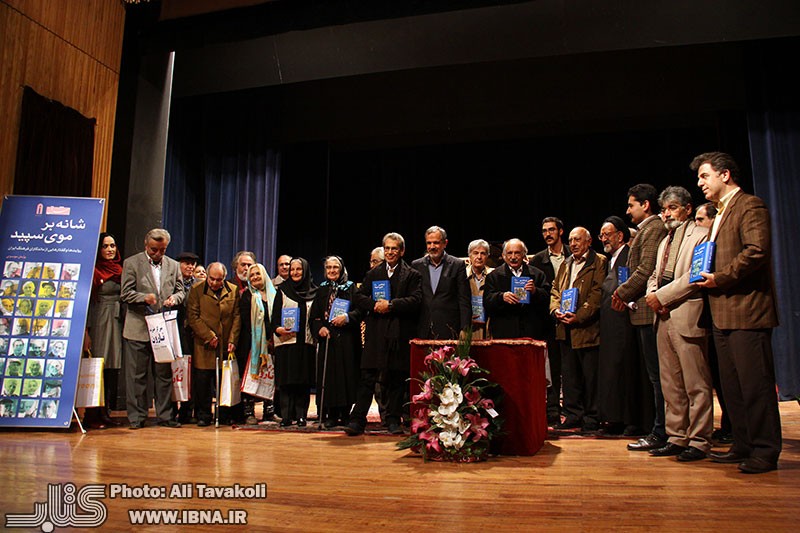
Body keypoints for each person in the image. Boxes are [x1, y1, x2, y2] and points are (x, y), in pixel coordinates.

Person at [692, 151, 781, 474]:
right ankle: (742, 443)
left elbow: (756, 251)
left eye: (704, 176)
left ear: (725, 175)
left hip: (747, 309)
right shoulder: (718, 214)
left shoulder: (750, 205)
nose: (700, 183)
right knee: (732, 387)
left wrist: (721, 277)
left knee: (755, 385)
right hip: (721, 311)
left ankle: (765, 450)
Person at [644, 186, 712, 462]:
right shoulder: (664, 241)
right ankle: (676, 436)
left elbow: (696, 277)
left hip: (686, 314)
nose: (667, 213)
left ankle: (699, 440)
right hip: (662, 316)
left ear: (687, 208)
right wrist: (652, 294)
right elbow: (655, 275)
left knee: (696, 383)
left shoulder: (702, 235)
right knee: (670, 383)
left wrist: (660, 296)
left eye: (672, 207)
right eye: (663, 209)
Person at [347, 232, 422, 436]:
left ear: (402, 251)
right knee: (368, 377)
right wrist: (374, 305)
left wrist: (391, 305)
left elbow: (416, 300)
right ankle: (357, 419)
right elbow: (359, 296)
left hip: (399, 332)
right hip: (376, 332)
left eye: (394, 249)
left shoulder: (412, 274)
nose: (390, 252)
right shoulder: (374, 273)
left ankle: (392, 419)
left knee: (396, 378)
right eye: (387, 248)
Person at [613, 184, 669, 452]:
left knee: (659, 377)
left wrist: (621, 293)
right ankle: (659, 428)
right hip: (641, 312)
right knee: (654, 376)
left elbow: (646, 268)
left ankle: (662, 431)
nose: (627, 210)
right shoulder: (646, 230)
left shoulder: (654, 227)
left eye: (631, 205)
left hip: (650, 313)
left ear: (645, 205)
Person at [120, 228, 185, 429]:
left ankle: (165, 416)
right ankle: (137, 417)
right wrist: (143, 298)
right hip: (138, 327)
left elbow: (181, 290)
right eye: (154, 250)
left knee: (163, 375)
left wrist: (175, 298)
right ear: (146, 246)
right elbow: (125, 293)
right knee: (136, 376)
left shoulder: (173, 265)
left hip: (162, 329)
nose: (158, 254)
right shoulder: (132, 263)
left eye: (162, 250)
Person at [549, 227, 607, 432]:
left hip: (587, 329)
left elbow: (597, 294)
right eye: (571, 240)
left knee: (590, 376)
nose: (573, 243)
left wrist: (579, 316)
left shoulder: (599, 261)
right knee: (570, 375)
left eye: (578, 240)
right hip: (565, 328)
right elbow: (555, 289)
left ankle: (592, 417)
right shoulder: (566, 263)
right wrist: (555, 309)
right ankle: (573, 415)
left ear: (589, 242)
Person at [596, 216, 645, 436]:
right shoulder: (611, 259)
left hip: (623, 324)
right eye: (601, 235)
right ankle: (614, 418)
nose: (603, 239)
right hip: (610, 325)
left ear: (620, 235)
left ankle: (630, 420)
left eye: (607, 234)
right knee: (613, 372)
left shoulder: (628, 255)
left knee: (626, 372)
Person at [694, 202, 732, 444]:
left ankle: (732, 427)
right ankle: (728, 426)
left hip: (724, 315)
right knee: (718, 377)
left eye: (700, 219)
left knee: (726, 377)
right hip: (707, 318)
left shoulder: (713, 246)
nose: (697, 225)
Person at [310, 256, 363, 428]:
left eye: (335, 267)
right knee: (330, 377)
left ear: (341, 269)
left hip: (347, 339)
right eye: (329, 268)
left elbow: (360, 311)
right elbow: (315, 316)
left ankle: (345, 413)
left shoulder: (351, 288)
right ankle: (330, 414)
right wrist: (320, 328)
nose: (332, 271)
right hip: (328, 340)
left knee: (346, 375)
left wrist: (347, 317)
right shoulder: (322, 289)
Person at [187, 262, 241, 427]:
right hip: (204, 345)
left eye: (219, 280)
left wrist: (232, 339)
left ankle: (223, 414)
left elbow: (237, 317)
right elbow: (193, 316)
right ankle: (203, 415)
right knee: (203, 381)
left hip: (225, 344)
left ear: (224, 278)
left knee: (223, 382)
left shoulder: (233, 290)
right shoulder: (197, 290)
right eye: (212, 279)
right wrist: (208, 335)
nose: (215, 283)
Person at [271, 257, 318, 427]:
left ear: (305, 271)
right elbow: (274, 319)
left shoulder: (314, 292)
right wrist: (278, 329)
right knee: (286, 381)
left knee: (302, 382)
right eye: (292, 270)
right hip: (286, 343)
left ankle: (301, 416)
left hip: (306, 344)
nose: (295, 273)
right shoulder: (282, 290)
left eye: (299, 269)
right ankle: (286, 416)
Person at [531, 217, 569, 425]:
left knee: (571, 367)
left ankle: (574, 410)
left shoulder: (573, 254)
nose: (548, 234)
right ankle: (552, 409)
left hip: (574, 319)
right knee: (551, 367)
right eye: (544, 230)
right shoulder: (537, 260)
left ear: (561, 231)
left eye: (552, 230)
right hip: (548, 322)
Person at [85, 232, 124, 429]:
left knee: (112, 367)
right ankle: (92, 414)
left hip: (116, 321)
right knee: (97, 366)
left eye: (112, 245)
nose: (110, 249)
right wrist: (86, 332)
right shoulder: (93, 271)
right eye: (105, 246)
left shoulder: (119, 269)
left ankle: (106, 412)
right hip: (99, 319)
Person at [483, 238, 550, 341]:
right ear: (504, 255)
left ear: (524, 254)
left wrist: (535, 291)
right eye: (509, 253)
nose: (513, 257)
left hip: (531, 333)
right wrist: (501, 297)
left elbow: (547, 299)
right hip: (504, 333)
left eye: (517, 253)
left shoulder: (537, 274)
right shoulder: (493, 276)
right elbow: (487, 302)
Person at [411, 226, 471, 340]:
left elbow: (464, 300)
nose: (432, 247)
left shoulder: (457, 265)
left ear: (445, 243)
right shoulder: (416, 265)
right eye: (429, 243)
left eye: (436, 243)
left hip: (449, 328)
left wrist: (465, 328)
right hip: (422, 328)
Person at [238, 263, 277, 424]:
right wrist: (261, 341)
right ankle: (249, 413)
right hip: (252, 345)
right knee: (251, 378)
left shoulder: (275, 294)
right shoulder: (247, 295)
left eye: (257, 274)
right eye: (251, 275)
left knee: (270, 377)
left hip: (272, 343)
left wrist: (272, 338)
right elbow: (246, 322)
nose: (254, 277)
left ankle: (269, 412)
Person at [173, 251, 200, 424]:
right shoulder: (172, 282)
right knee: (175, 371)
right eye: (186, 263)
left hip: (191, 333)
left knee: (190, 372)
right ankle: (171, 410)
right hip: (173, 330)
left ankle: (187, 410)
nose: (190, 266)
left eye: (192, 264)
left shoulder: (198, 285)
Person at [465, 239, 494, 340]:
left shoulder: (494, 275)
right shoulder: (461, 275)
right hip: (467, 328)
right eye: (475, 253)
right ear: (469, 256)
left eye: (483, 253)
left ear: (488, 256)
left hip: (489, 326)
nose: (479, 257)